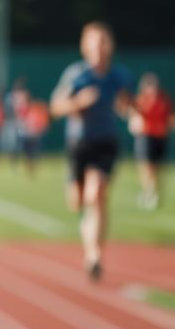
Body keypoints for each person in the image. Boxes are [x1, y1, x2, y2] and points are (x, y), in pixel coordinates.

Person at [50, 22, 133, 280]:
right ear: (85, 47)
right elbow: (55, 107)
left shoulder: (119, 76)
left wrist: (133, 113)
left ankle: (94, 255)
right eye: (95, 43)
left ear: (110, 46)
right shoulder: (76, 75)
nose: (99, 48)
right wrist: (78, 101)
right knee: (77, 201)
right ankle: (89, 238)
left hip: (105, 142)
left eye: (104, 42)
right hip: (79, 144)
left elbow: (126, 105)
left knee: (96, 195)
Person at [130, 72, 170, 211]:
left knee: (155, 168)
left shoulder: (163, 100)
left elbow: (169, 117)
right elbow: (134, 117)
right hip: (145, 136)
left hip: (159, 136)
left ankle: (153, 193)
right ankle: (150, 192)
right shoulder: (141, 99)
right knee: (146, 167)